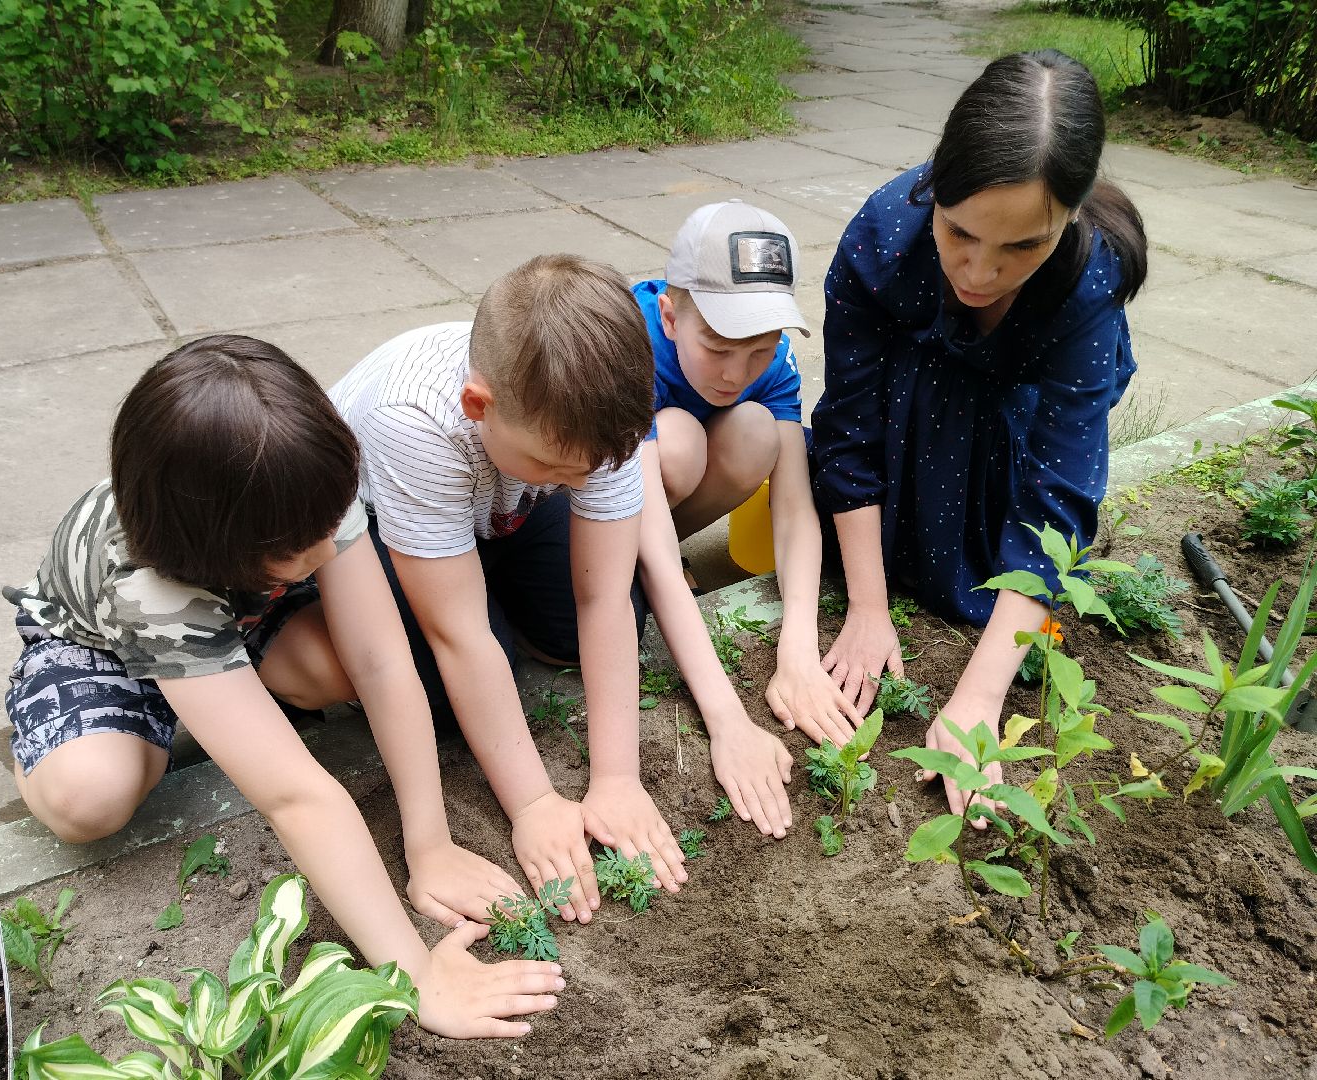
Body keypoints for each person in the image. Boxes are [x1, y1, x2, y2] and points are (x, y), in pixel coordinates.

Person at [2, 335, 564, 1038]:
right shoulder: (155, 588)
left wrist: (430, 845)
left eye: (332, 527)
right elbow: (296, 797)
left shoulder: (306, 492)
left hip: (244, 604)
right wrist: (415, 976)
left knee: (341, 667)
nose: (330, 549)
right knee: (90, 795)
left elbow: (380, 661)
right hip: (100, 643)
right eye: (303, 549)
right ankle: (55, 728)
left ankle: (220, 693)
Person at [809, 50, 1148, 821]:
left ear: (1070, 216)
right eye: (959, 232)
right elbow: (850, 427)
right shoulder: (884, 233)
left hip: (1006, 426)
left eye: (1023, 246)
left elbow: (1060, 491)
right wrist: (867, 607)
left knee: (1011, 569)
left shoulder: (1088, 283)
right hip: (912, 411)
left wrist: (978, 698)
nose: (980, 272)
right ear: (937, 185)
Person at [329, 254, 686, 926]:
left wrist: (617, 778)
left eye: (591, 471)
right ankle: (472, 581)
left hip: (502, 503)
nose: (582, 482)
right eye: (559, 466)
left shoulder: (600, 410)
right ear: (479, 406)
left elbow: (604, 597)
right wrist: (533, 804)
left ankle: (487, 572)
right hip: (389, 516)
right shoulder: (414, 418)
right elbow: (458, 635)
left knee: (592, 626)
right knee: (443, 688)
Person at [629, 201, 865, 838]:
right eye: (718, 348)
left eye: (760, 350)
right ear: (671, 317)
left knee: (760, 431)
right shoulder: (628, 346)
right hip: (585, 512)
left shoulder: (770, 363)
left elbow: (793, 508)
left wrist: (799, 650)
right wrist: (728, 720)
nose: (738, 373)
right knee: (677, 441)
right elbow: (654, 552)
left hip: (664, 503)